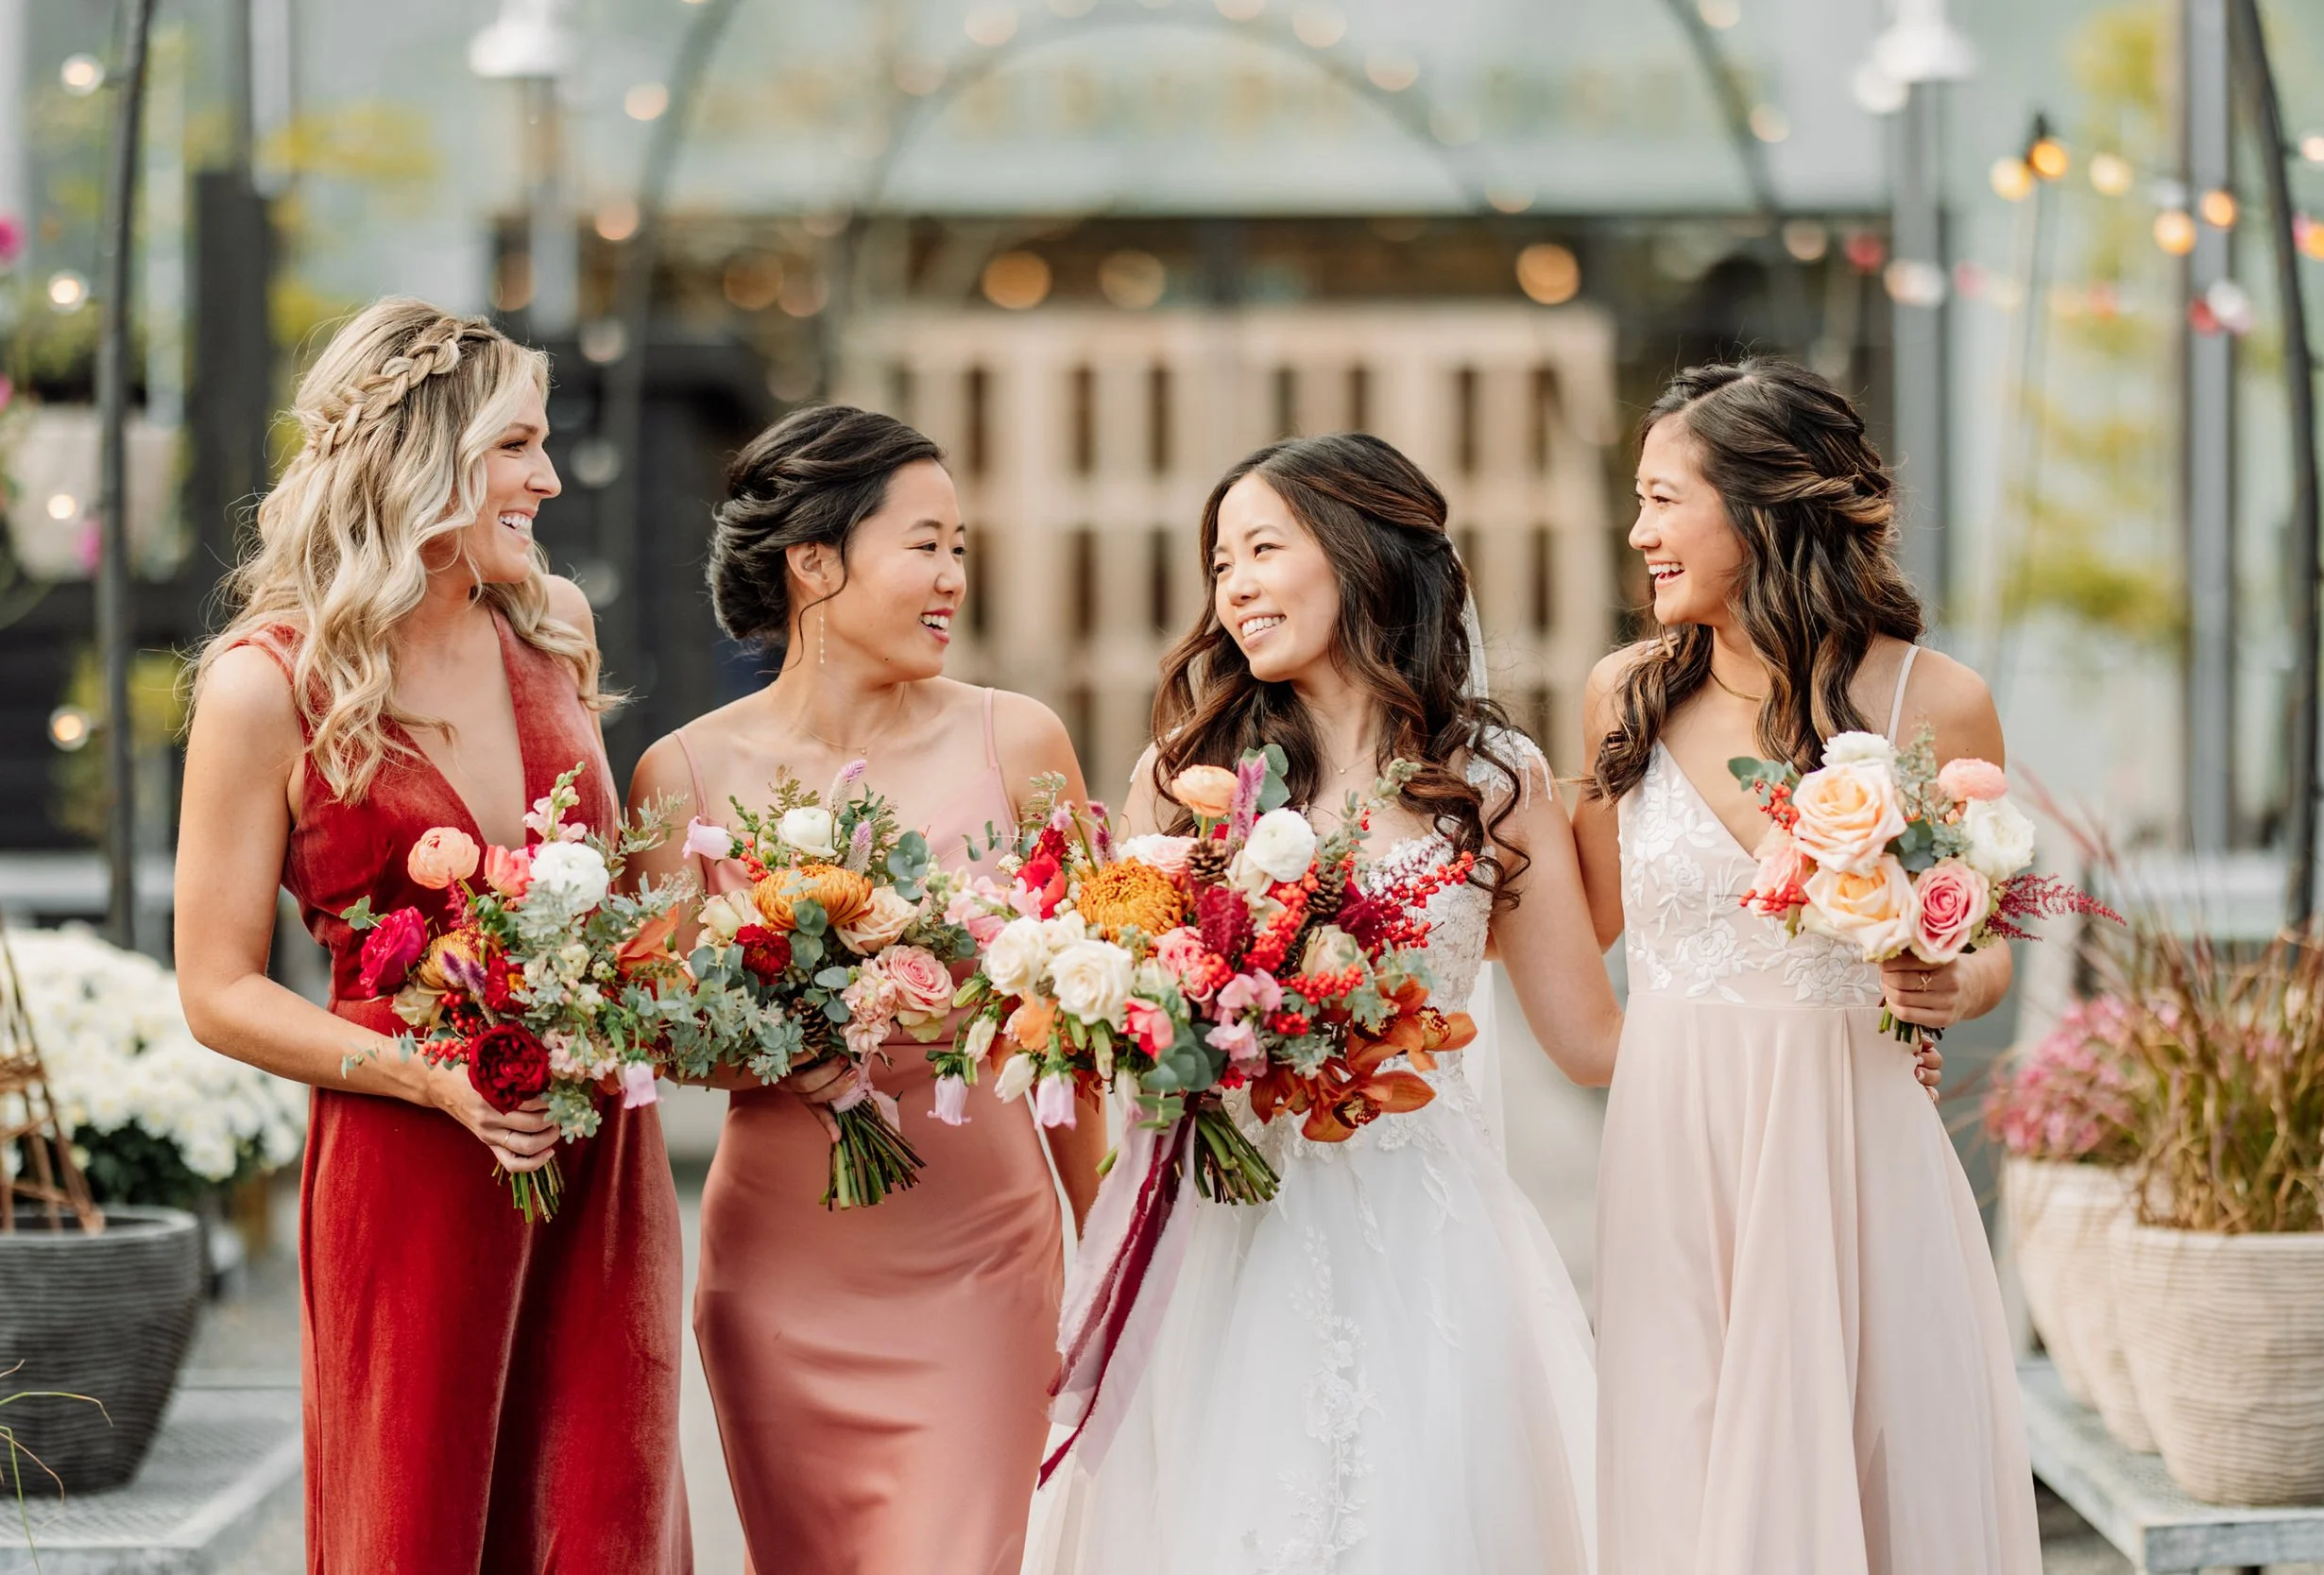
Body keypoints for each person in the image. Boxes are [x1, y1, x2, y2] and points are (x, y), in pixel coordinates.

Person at [1027, 432, 1621, 1575]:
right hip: (1226, 1225)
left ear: (1361, 553)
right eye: (1218, 563)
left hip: (1426, 1232)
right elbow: (1125, 1015)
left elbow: (1589, 1038)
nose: (1233, 584)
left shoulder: (1491, 780)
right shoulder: (1184, 773)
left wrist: (1788, 1029)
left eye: (1261, 547)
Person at [175, 298, 690, 1572]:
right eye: (518, 444)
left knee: (602, 1507)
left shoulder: (547, 622)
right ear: (427, 454)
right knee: (414, 1521)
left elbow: (612, 905)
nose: (549, 477)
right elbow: (216, 987)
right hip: (408, 1161)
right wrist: (429, 1075)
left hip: (595, 1154)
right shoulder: (265, 683)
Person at [1577, 358, 2040, 1575]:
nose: (1640, 533)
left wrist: (1952, 981)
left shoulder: (1932, 699)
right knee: (1680, 1474)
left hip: (1852, 1141)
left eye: (1664, 499)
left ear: (1762, 507)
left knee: (1883, 1472)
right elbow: (1576, 927)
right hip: (1674, 1152)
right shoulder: (1620, 697)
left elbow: (1986, 945)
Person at [625, 404, 1104, 1575]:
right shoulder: (679, 771)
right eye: (924, 544)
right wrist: (791, 1028)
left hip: (987, 1254)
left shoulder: (1022, 740)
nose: (951, 577)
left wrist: (1110, 1254)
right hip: (782, 1275)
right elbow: (658, 1038)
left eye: (960, 549)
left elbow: (1090, 1028)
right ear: (814, 562)